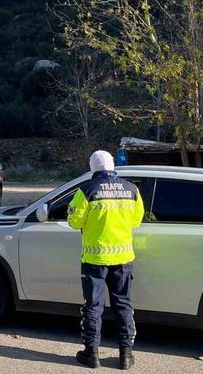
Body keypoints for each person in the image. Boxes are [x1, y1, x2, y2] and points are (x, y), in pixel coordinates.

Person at [68, 150, 145, 370]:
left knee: (94, 306)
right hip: (123, 257)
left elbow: (74, 221)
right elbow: (137, 220)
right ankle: (126, 356)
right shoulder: (131, 190)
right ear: (112, 166)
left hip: (95, 257)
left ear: (92, 168)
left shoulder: (87, 190)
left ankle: (91, 354)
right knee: (123, 304)